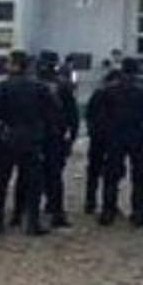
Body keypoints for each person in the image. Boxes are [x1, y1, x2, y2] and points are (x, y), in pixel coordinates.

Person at [0, 51, 52, 235]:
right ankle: (33, 223)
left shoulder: (2, 87)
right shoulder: (40, 87)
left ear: (15, 66)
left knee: (1, 181)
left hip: (8, 136)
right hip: (32, 137)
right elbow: (53, 112)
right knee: (33, 182)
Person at [100, 59, 143, 227]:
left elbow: (103, 116)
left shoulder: (109, 91)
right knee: (138, 175)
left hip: (115, 135)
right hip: (137, 135)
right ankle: (138, 211)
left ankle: (108, 210)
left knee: (111, 175)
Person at [39, 53, 79, 229]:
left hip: (38, 135)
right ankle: (55, 211)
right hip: (55, 135)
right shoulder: (63, 85)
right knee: (54, 174)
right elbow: (72, 115)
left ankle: (24, 211)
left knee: (31, 175)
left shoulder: (35, 83)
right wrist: (71, 137)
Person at [84, 71, 114, 217]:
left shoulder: (97, 94)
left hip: (97, 137)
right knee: (110, 172)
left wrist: (92, 131)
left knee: (93, 171)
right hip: (111, 138)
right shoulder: (114, 95)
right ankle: (109, 203)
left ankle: (90, 202)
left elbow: (89, 114)